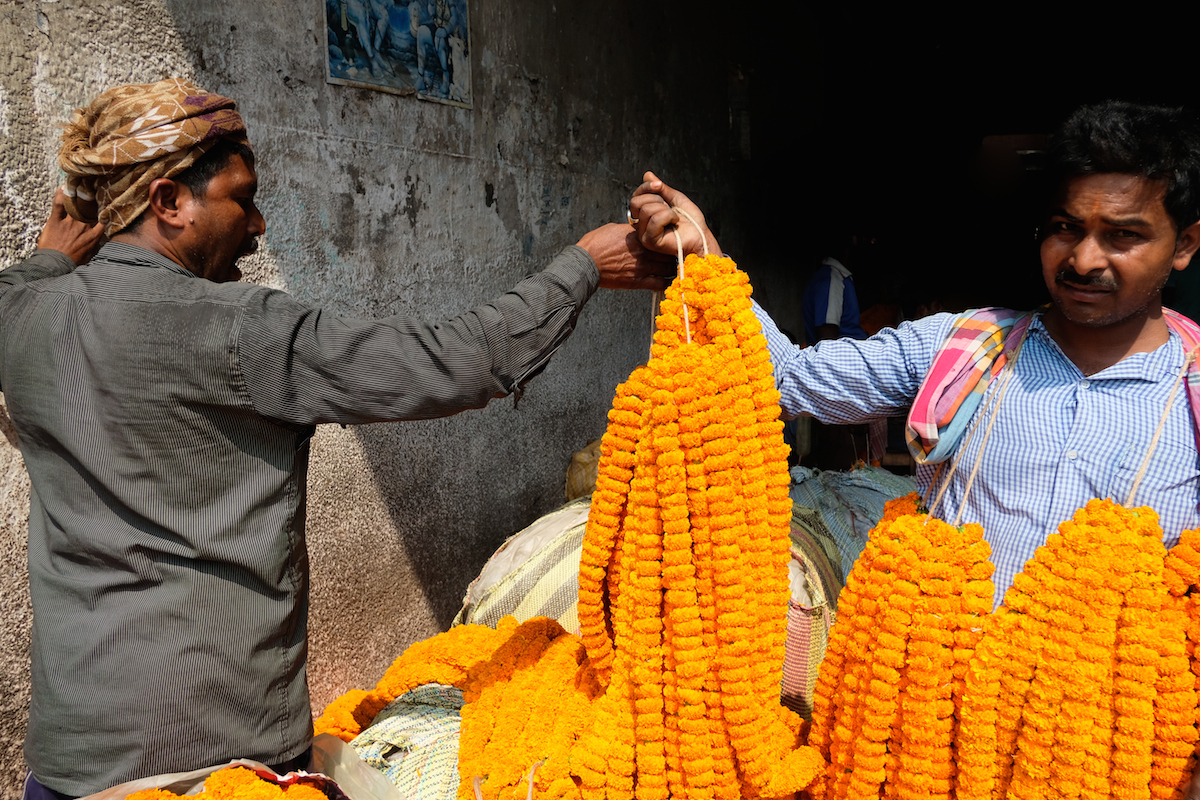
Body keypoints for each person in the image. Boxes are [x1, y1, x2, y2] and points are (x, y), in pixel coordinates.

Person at [7, 78, 672, 799]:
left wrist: (48, 257)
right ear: (170, 201)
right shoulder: (240, 329)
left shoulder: (26, 314)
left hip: (67, 769)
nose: (258, 225)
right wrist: (584, 267)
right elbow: (453, 360)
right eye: (242, 197)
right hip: (216, 770)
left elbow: (19, 289)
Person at [629, 100, 1200, 610]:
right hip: (931, 705)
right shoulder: (969, 347)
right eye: (1065, 229)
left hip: (1117, 719)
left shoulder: (1191, 392)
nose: (1084, 260)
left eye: (1123, 236)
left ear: (1186, 244)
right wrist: (703, 251)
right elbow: (787, 375)